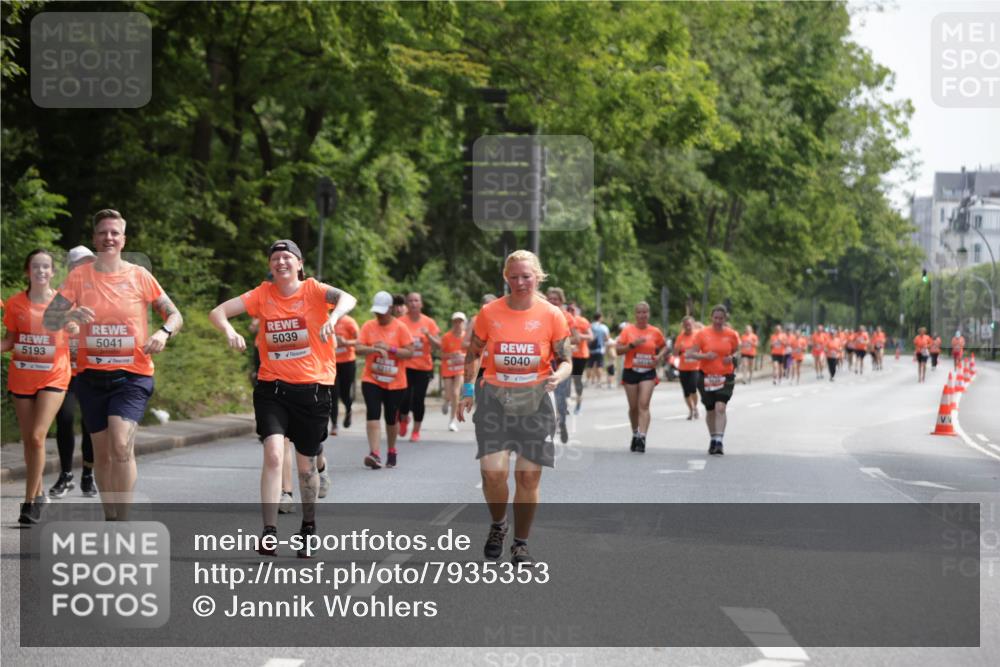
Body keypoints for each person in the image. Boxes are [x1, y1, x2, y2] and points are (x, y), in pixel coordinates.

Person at [209, 239, 357, 555]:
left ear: (299, 264)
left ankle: (308, 527)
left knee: (305, 467)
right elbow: (218, 312)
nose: (281, 262)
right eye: (275, 258)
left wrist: (333, 318)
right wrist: (230, 331)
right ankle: (269, 531)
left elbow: (348, 298)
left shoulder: (314, 290)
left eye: (287, 257)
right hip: (272, 389)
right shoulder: (262, 294)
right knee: (274, 454)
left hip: (313, 389)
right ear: (270, 266)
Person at [44, 210, 183, 521]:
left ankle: (123, 518)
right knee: (103, 454)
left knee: (121, 445)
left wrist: (163, 332)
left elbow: (174, 314)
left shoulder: (140, 276)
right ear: (95, 239)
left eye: (114, 233)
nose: (109, 237)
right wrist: (71, 315)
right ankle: (111, 517)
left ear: (123, 240)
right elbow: (50, 317)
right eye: (103, 233)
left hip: (133, 376)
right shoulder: (79, 277)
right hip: (91, 378)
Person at [458, 250, 571, 565]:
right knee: (493, 474)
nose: (520, 282)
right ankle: (499, 524)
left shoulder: (552, 315)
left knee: (528, 478)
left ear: (538, 277)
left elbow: (566, 359)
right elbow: (473, 353)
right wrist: (467, 390)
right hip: (495, 399)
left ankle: (521, 544)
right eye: (514, 277)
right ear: (506, 278)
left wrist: (559, 375)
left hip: (536, 401)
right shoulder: (489, 312)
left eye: (526, 276)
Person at [3, 250, 72, 524]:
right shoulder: (15, 303)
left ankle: (29, 503)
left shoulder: (61, 303)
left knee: (37, 436)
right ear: (27, 271)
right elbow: (9, 341)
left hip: (54, 376)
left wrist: (74, 327)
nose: (41, 271)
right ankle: (40, 493)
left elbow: (75, 328)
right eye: (35, 266)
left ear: (52, 272)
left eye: (46, 267)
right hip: (22, 375)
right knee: (29, 441)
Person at [50, 246, 97, 499]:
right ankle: (66, 474)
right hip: (65, 370)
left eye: (89, 263)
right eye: (81, 263)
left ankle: (88, 473)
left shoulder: (99, 293)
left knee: (90, 423)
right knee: (65, 419)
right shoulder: (61, 294)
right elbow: (48, 322)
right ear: (71, 268)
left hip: (91, 369)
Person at [355, 291, 414, 469]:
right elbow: (358, 348)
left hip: (395, 382)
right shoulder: (368, 326)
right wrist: (373, 349)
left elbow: (409, 353)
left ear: (390, 309)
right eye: (377, 312)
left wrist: (390, 349)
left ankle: (391, 450)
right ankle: (374, 453)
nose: (379, 315)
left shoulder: (400, 328)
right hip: (371, 378)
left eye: (382, 312)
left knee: (390, 418)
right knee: (373, 412)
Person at [686, 305, 741, 455]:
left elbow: (737, 352)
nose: (718, 321)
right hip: (706, 376)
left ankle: (719, 441)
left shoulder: (731, 334)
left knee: (720, 407)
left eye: (721, 318)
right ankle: (713, 438)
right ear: (711, 318)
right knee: (710, 410)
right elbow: (690, 354)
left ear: (725, 318)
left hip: (725, 376)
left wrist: (732, 358)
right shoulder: (702, 334)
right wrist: (705, 356)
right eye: (715, 318)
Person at [616, 302, 667, 452]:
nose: (642, 315)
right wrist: (632, 345)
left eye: (645, 312)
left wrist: (659, 356)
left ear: (648, 314)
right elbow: (618, 350)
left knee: (643, 405)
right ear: (635, 314)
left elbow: (664, 347)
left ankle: (642, 437)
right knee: (633, 408)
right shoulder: (628, 330)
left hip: (648, 372)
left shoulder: (655, 331)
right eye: (639, 312)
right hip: (631, 370)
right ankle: (635, 433)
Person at [397, 292, 440, 442]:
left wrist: (428, 335)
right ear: (407, 304)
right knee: (404, 397)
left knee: (418, 399)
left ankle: (416, 431)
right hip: (405, 366)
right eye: (410, 301)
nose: (413, 303)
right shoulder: (400, 322)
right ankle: (403, 418)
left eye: (416, 300)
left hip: (423, 367)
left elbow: (438, 345)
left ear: (421, 304)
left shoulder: (429, 322)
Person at [545, 287, 579, 443]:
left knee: (560, 397)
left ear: (561, 301)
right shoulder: (542, 315)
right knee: (545, 397)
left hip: (561, 362)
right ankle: (550, 426)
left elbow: (577, 338)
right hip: (545, 361)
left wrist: (561, 343)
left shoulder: (567, 317)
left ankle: (562, 423)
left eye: (556, 299)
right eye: (550, 298)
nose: (553, 301)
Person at [330, 312, 359, 436]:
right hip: (331, 363)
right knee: (333, 394)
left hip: (348, 362)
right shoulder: (327, 320)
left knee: (344, 393)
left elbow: (359, 341)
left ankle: (348, 409)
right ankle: (334, 424)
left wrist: (345, 342)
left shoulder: (349, 322)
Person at [439, 312, 467, 431]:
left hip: (460, 369)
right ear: (452, 323)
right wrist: (452, 355)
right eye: (456, 321)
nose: (458, 324)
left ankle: (452, 420)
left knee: (456, 393)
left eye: (460, 321)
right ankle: (446, 400)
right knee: (448, 394)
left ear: (464, 323)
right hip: (448, 368)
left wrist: (463, 355)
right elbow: (441, 354)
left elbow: (473, 353)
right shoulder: (446, 337)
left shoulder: (467, 337)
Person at [672, 316, 700, 420]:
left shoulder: (698, 335)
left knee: (693, 387)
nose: (688, 327)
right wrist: (677, 348)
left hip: (695, 367)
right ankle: (691, 410)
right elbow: (675, 354)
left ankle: (695, 407)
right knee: (686, 391)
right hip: (683, 368)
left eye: (689, 324)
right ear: (683, 326)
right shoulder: (680, 337)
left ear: (693, 324)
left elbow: (704, 347)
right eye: (686, 325)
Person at [568, 304, 593, 414]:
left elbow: (591, 337)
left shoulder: (582, 321)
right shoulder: (563, 319)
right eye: (569, 309)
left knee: (577, 379)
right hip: (567, 354)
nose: (571, 311)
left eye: (573, 309)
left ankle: (578, 403)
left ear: (578, 311)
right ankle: (564, 404)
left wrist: (578, 336)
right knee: (565, 380)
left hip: (580, 355)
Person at [586, 312, 610, 388]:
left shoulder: (590, 326)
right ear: (600, 318)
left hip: (590, 349)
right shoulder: (603, 327)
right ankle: (599, 382)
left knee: (589, 365)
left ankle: (588, 381)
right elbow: (607, 338)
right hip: (600, 349)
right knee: (599, 365)